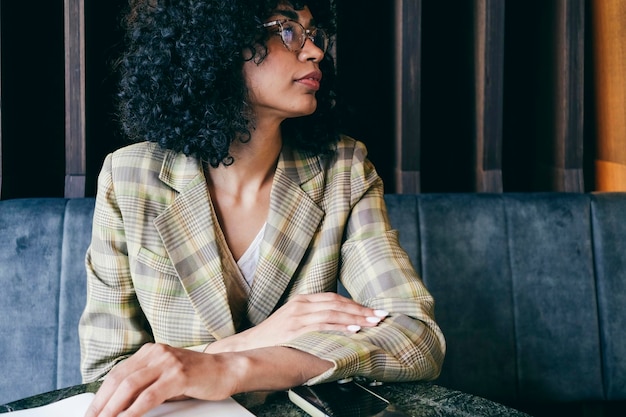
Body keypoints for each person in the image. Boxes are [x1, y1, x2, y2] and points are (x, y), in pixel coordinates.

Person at [79, 0, 446, 416]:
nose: (315, 51)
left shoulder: (343, 168)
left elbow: (416, 336)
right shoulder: (128, 176)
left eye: (313, 34)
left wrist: (233, 365)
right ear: (217, 42)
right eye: (287, 30)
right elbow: (107, 372)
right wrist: (254, 339)